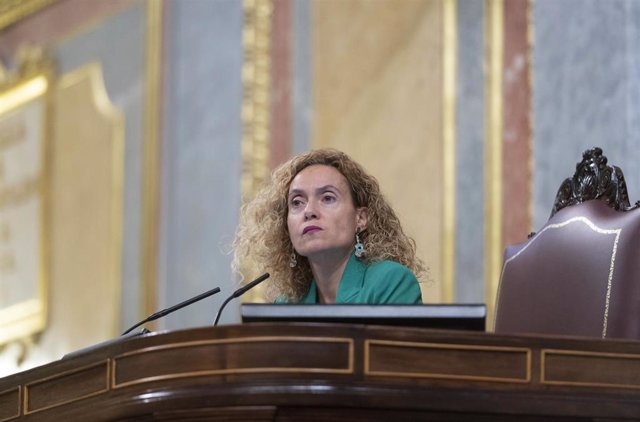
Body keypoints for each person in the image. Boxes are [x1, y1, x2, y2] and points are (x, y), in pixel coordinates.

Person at [232, 148, 426, 304]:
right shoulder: (287, 304)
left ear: (360, 218)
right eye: (297, 202)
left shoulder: (390, 281)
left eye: (327, 198)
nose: (309, 211)